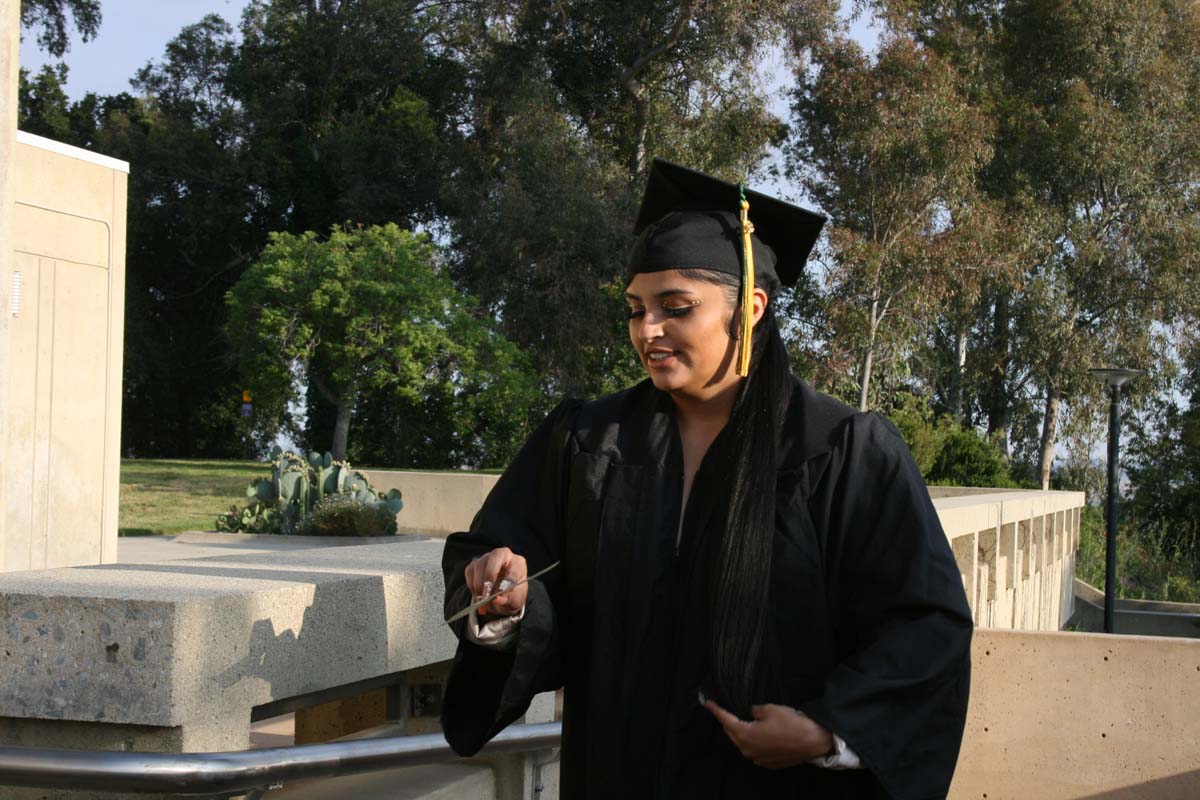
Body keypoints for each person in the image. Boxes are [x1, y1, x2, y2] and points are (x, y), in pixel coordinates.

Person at [440, 159, 973, 799]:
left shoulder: (840, 452)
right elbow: (503, 556)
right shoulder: (586, 442)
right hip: (614, 777)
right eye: (636, 309)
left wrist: (828, 732)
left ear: (749, 307)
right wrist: (506, 600)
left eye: (676, 307)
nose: (648, 331)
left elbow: (925, 627)